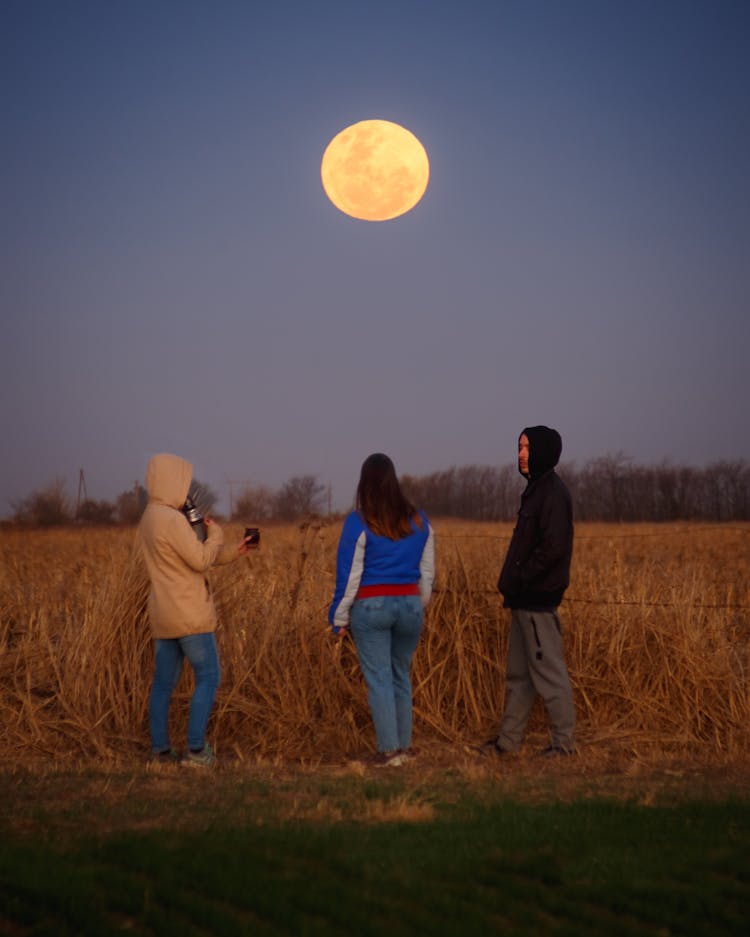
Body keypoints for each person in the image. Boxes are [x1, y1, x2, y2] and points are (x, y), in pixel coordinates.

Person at [139, 452, 255, 767]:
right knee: (209, 675)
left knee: (163, 683)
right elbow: (201, 559)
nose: (186, 487)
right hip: (190, 615)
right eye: (182, 481)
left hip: (163, 614)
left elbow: (190, 557)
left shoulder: (150, 518)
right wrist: (215, 533)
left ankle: (160, 751)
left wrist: (234, 551)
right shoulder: (173, 520)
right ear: (170, 480)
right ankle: (195, 750)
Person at [329, 453, 435, 767]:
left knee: (379, 679)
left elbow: (350, 576)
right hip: (410, 606)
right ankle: (404, 747)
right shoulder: (420, 520)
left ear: (364, 482)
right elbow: (427, 574)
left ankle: (389, 752)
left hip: (372, 606)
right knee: (401, 674)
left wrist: (338, 618)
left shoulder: (359, 521)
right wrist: (417, 603)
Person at [487, 425, 576, 757]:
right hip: (523, 601)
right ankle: (507, 743)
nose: (521, 454)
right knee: (519, 677)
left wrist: (520, 577)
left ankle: (564, 745)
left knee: (550, 675)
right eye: (519, 447)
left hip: (538, 601)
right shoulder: (536, 491)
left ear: (543, 451)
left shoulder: (552, 493)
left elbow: (552, 550)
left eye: (526, 448)